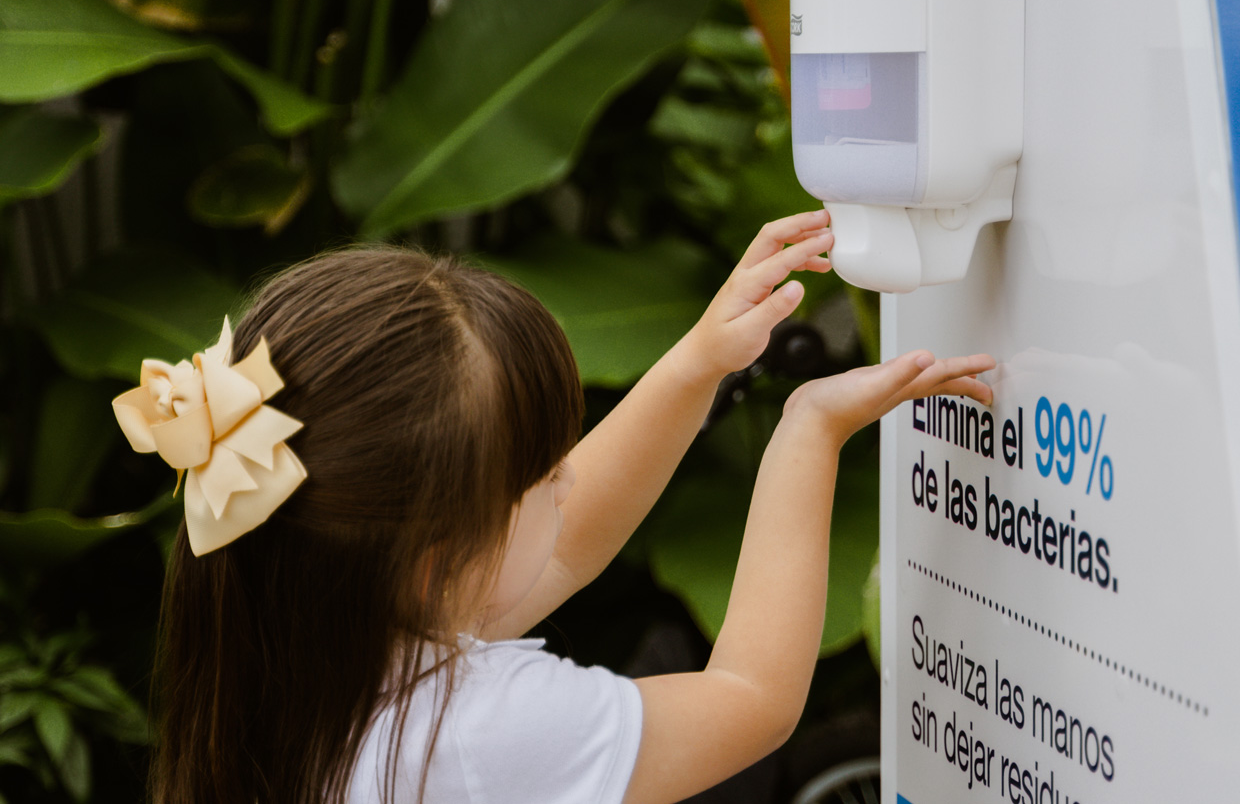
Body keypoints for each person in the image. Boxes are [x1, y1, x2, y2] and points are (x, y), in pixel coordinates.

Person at [115, 209, 994, 804]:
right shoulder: (481, 733)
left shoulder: (297, 656)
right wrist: (807, 429)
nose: (569, 478)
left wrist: (700, 360)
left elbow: (557, 544)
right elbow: (751, 698)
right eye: (541, 474)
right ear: (438, 560)